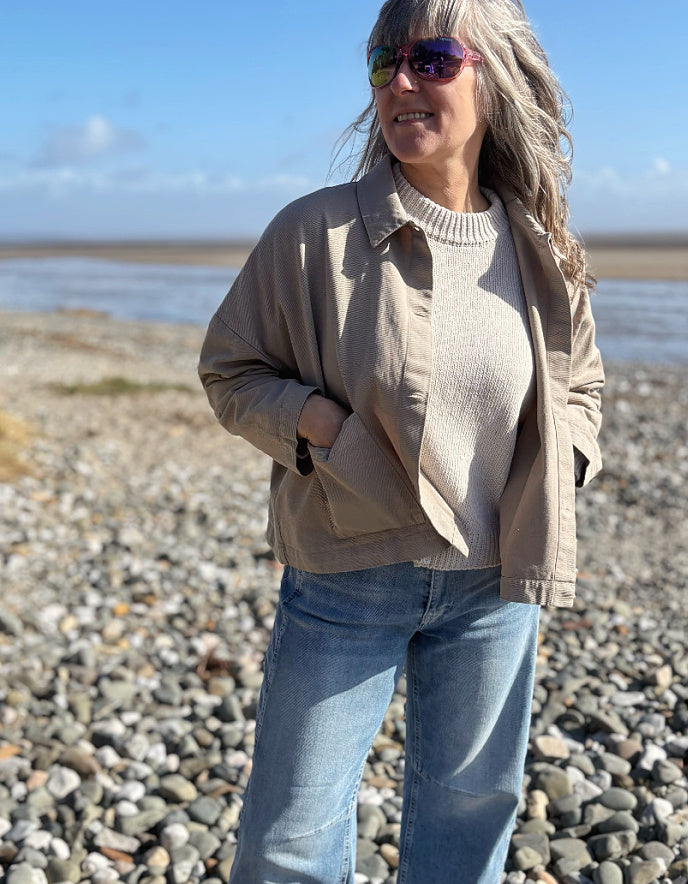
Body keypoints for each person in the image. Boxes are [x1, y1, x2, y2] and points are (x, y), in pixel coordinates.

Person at [198, 0, 604, 880]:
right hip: (348, 572)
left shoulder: (541, 246)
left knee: (468, 831)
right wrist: (321, 429)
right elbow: (230, 371)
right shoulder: (313, 233)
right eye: (385, 62)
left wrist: (564, 468)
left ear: (496, 77)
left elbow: (584, 386)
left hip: (497, 586)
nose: (401, 82)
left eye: (432, 57)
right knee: (289, 840)